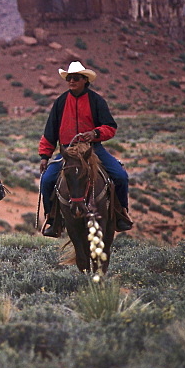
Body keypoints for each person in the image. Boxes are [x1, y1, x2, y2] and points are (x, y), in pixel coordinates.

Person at [38, 60, 132, 236]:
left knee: (120, 176)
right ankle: (52, 219)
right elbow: (50, 131)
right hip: (67, 150)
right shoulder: (60, 102)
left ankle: (121, 214)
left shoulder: (96, 100)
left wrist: (95, 133)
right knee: (47, 180)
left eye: (75, 78)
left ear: (85, 80)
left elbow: (110, 127)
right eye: (69, 78)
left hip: (92, 149)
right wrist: (45, 155)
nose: (71, 81)